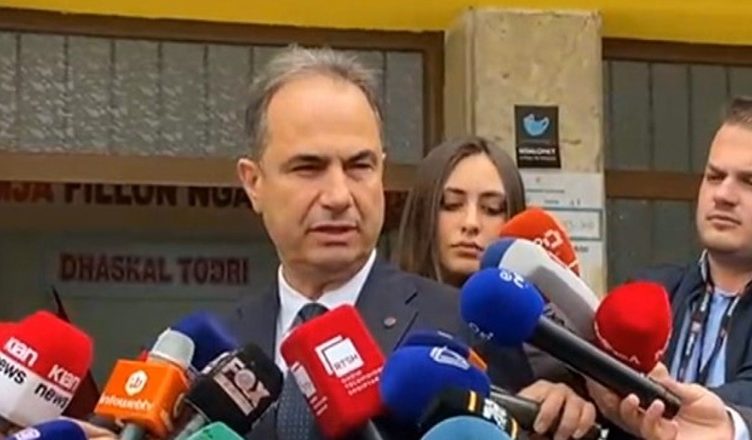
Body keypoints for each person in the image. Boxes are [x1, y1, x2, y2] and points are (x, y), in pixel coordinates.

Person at [395, 136, 596, 440]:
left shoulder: (543, 345)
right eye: (452, 205)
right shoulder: (380, 312)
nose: (471, 223)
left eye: (492, 209)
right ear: (424, 214)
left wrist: (565, 407)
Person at [589, 97, 752, 439]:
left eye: (748, 181)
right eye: (714, 176)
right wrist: (572, 389)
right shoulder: (648, 289)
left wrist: (725, 423)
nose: (723, 194)